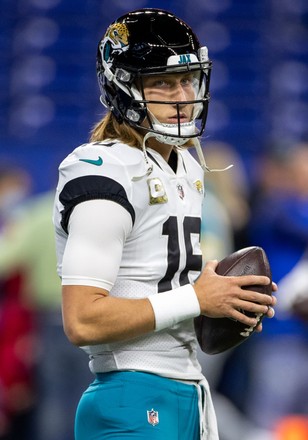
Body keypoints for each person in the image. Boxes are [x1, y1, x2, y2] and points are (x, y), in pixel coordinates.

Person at [53, 8, 277, 440]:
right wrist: (196, 298)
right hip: (130, 396)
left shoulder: (185, 165)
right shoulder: (104, 169)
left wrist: (228, 304)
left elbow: (164, 287)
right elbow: (82, 320)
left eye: (187, 79)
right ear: (123, 86)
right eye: (161, 82)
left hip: (186, 390)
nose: (181, 94)